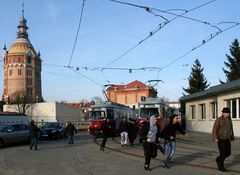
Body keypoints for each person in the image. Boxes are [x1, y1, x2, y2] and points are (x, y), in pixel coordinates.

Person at [212, 107, 234, 172]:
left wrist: (231, 136)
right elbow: (214, 129)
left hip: (227, 138)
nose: (228, 114)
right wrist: (215, 138)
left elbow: (231, 129)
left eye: (229, 113)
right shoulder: (219, 120)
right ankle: (221, 167)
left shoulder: (229, 119)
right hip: (220, 139)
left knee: (228, 153)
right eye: (227, 113)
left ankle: (218, 159)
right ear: (223, 113)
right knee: (223, 153)